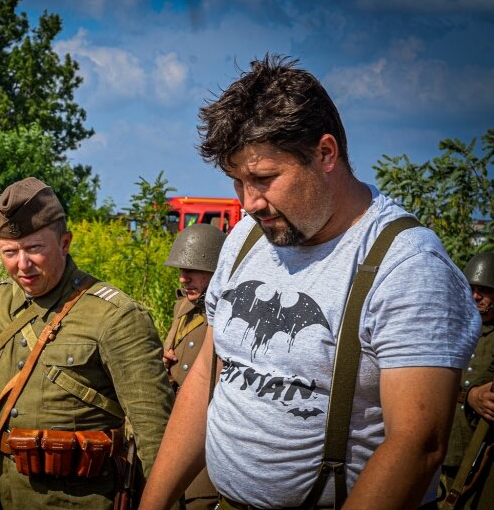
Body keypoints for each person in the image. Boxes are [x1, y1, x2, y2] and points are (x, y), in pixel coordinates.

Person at [140, 55, 480, 509]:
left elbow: (417, 446)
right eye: (237, 181)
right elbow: (209, 371)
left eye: (264, 178)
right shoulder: (246, 238)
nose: (249, 203)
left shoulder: (408, 266)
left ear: (325, 153)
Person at [0, 177, 174, 509]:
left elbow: (155, 432)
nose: (21, 265)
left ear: (64, 243)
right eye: (9, 252)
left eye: (34, 248)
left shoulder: (115, 317)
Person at [162, 223, 225, 510]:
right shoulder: (183, 308)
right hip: (174, 426)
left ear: (215, 271)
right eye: (180, 270)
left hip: (209, 438)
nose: (183, 278)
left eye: (192, 270)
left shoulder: (230, 316)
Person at [443, 252, 494, 508]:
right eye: (471, 288)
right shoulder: (450, 327)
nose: (475, 296)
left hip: (484, 453)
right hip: (446, 443)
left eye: (484, 290)